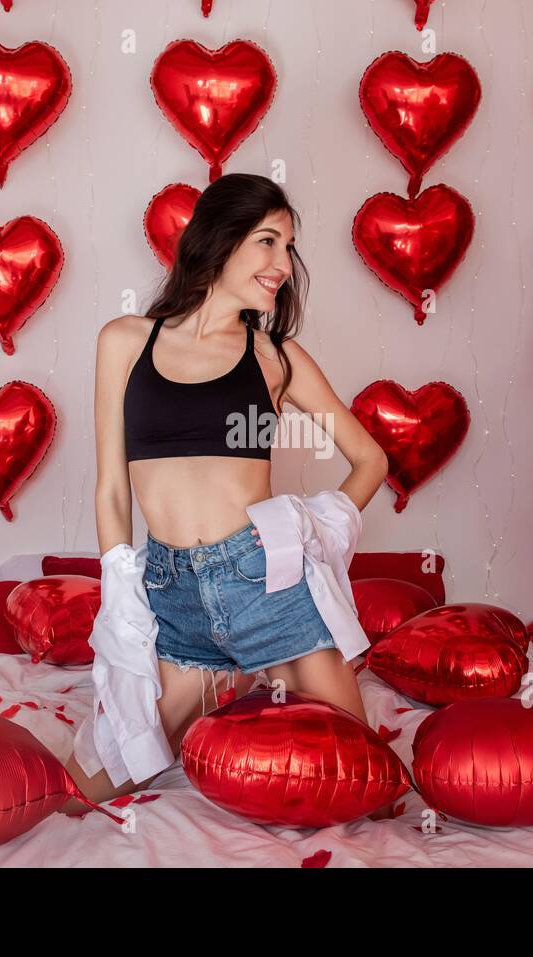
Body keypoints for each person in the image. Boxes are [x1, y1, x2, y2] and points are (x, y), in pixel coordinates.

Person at [60, 172, 390, 817]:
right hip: (173, 594)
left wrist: (316, 529)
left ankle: (261, 674)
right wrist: (121, 588)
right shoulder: (126, 341)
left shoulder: (275, 356)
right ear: (219, 239)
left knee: (369, 788)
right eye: (267, 242)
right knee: (86, 790)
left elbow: (370, 458)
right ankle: (229, 681)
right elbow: (111, 489)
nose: (281, 265)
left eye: (289, 249)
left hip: (267, 586)